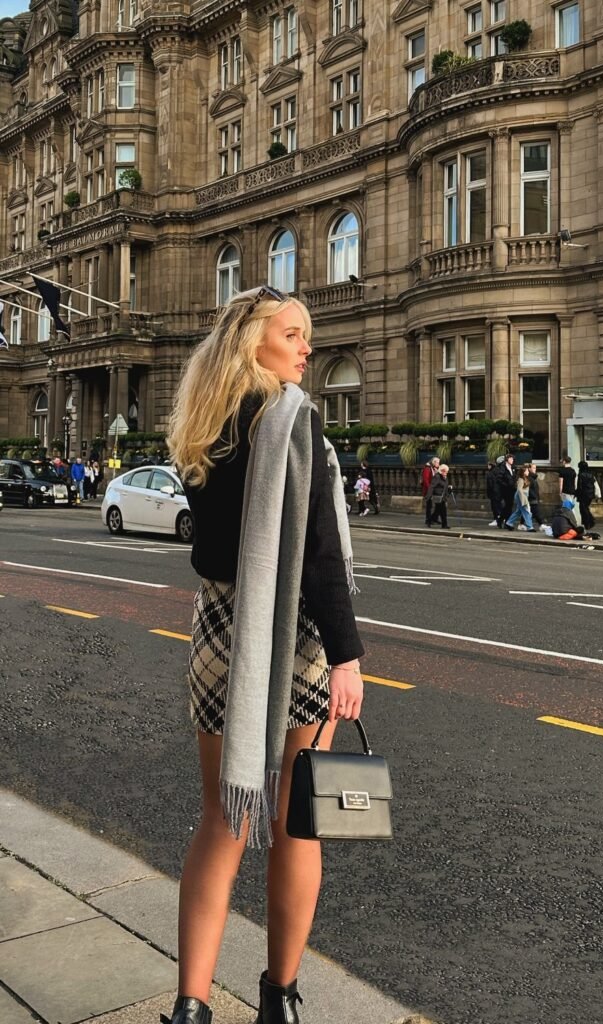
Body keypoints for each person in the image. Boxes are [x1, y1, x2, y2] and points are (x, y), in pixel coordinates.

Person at [165, 286, 365, 1024]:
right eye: (293, 333)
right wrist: (347, 656)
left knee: (221, 820)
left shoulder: (206, 423)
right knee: (296, 825)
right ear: (255, 342)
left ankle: (190, 1005)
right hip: (296, 638)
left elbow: (209, 551)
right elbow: (317, 555)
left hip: (221, 633)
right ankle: (278, 998)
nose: (306, 346)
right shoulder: (293, 419)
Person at [504, 465, 535, 531]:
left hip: (523, 496)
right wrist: (523, 500)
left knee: (518, 511)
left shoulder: (525, 478)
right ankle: (530, 527)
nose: (528, 471)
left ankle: (509, 523)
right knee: (526, 511)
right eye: (527, 470)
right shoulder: (521, 479)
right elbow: (519, 490)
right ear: (523, 472)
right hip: (521, 496)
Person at [426, 463, 453, 528]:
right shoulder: (437, 477)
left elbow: (445, 486)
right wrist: (428, 497)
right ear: (442, 471)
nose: (447, 473)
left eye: (447, 471)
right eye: (446, 471)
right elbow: (432, 486)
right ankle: (444, 525)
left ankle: (429, 520)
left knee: (437, 511)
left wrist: (449, 488)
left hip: (443, 497)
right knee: (443, 511)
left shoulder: (445, 477)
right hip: (438, 497)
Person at [576, 459, 597, 530]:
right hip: (590, 494)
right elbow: (593, 484)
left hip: (583, 494)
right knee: (586, 508)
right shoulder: (591, 474)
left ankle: (588, 522)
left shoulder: (581, 474)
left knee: (583, 509)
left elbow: (580, 486)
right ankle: (589, 522)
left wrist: (577, 494)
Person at [496, 453, 516, 524]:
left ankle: (501, 520)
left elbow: (513, 478)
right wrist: (506, 485)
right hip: (505, 490)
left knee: (509, 506)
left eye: (513, 459)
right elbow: (499, 479)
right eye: (511, 459)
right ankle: (507, 521)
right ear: (507, 460)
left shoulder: (513, 467)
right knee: (508, 505)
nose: (512, 460)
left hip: (512, 489)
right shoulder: (503, 467)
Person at [421, 456, 439, 525]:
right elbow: (426, 480)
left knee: (438, 505)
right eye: (438, 462)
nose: (439, 464)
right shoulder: (427, 469)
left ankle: (434, 518)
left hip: (434, 490)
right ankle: (428, 520)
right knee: (429, 506)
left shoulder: (434, 468)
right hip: (428, 490)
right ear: (433, 462)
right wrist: (430, 489)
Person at [486, 461, 500, 526]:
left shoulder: (490, 474)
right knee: (499, 505)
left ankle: (496, 520)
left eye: (488, 465)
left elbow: (490, 485)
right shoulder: (499, 472)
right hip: (499, 492)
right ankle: (501, 518)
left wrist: (489, 493)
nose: (487, 467)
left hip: (493, 492)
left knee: (494, 507)